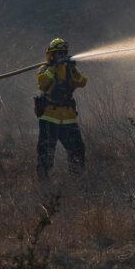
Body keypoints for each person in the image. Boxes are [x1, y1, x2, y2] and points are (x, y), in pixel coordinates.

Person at [35, 38, 87, 181]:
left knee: (77, 150)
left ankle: (78, 181)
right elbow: (42, 84)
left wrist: (73, 68)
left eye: (62, 53)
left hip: (68, 118)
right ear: (51, 55)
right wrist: (54, 67)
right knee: (46, 153)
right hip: (49, 117)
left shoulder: (70, 69)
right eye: (58, 54)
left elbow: (82, 82)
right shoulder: (45, 68)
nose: (61, 56)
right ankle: (44, 185)